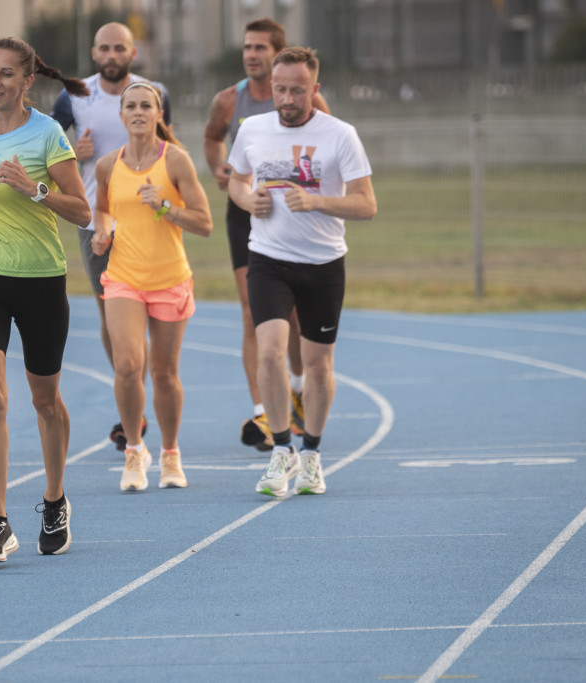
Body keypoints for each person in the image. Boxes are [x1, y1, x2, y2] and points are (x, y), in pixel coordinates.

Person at [0, 37, 91, 564]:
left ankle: (54, 501)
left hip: (39, 279)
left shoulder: (47, 134)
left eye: (6, 74)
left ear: (27, 81)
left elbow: (81, 211)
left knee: (44, 400)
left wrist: (33, 190)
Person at [227, 47, 377, 497]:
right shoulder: (252, 128)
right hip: (269, 258)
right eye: (280, 89)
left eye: (296, 90)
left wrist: (316, 201)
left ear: (314, 89)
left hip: (323, 263)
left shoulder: (340, 135)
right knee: (269, 351)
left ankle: (311, 454)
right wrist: (244, 198)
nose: (287, 98)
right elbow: (236, 178)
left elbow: (367, 204)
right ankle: (281, 449)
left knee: (317, 365)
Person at [203, 18, 330, 452]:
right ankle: (262, 409)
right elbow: (212, 137)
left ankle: (295, 389)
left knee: (294, 316)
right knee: (251, 313)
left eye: (260, 48)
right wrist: (221, 169)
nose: (251, 55)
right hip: (247, 213)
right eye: (246, 47)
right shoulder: (229, 100)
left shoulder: (312, 103)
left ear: (278, 56)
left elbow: (326, 146)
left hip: (293, 218)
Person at [50, 22, 172, 452]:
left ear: (132, 52)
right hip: (96, 221)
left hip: (150, 218)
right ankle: (131, 402)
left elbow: (167, 143)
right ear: (94, 52)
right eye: (105, 48)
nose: (112, 55)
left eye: (120, 48)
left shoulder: (152, 91)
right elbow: (47, 148)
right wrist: (72, 152)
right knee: (111, 315)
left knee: (157, 315)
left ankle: (151, 388)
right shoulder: (73, 95)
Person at [92, 81, 212, 492]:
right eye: (132, 106)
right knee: (127, 365)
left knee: (163, 374)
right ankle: (134, 451)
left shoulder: (176, 161)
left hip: (169, 278)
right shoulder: (108, 165)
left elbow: (205, 223)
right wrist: (102, 233)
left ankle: (171, 453)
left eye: (147, 105)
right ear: (121, 115)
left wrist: (164, 207)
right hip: (124, 276)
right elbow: (103, 210)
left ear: (159, 115)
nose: (139, 112)